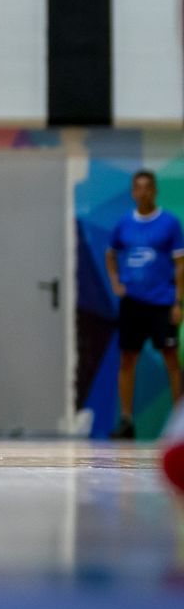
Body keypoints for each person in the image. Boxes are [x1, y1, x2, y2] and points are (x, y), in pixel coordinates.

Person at [105, 169, 183, 439]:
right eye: (137, 187)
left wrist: (178, 302)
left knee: (171, 360)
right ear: (132, 192)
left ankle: (179, 426)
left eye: (147, 187)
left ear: (155, 190)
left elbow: (180, 265)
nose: (143, 192)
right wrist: (116, 282)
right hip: (133, 303)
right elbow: (110, 254)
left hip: (162, 302)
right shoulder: (124, 223)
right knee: (127, 359)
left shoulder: (170, 223)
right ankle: (126, 421)